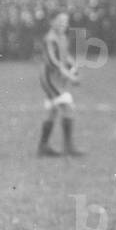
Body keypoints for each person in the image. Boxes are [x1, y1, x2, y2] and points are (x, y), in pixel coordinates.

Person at [37, 11, 83, 157]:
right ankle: (69, 148)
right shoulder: (50, 39)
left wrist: (73, 64)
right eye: (60, 20)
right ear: (52, 22)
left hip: (57, 78)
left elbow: (64, 55)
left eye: (65, 21)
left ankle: (43, 147)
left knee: (52, 110)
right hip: (49, 79)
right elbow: (54, 63)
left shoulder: (62, 37)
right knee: (67, 107)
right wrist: (71, 76)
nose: (64, 24)